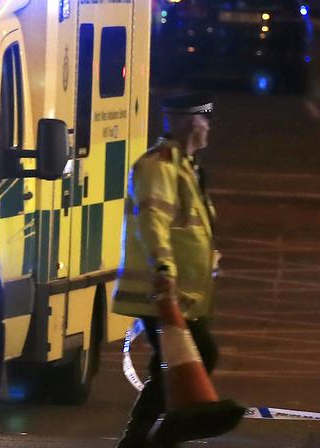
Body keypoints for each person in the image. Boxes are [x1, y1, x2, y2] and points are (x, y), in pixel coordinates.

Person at [113, 91, 224, 448]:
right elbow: (153, 220)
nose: (209, 128)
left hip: (183, 293)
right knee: (198, 354)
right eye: (205, 120)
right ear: (192, 123)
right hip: (161, 290)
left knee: (170, 365)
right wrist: (163, 268)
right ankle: (157, 438)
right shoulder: (158, 165)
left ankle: (144, 439)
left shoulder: (185, 167)